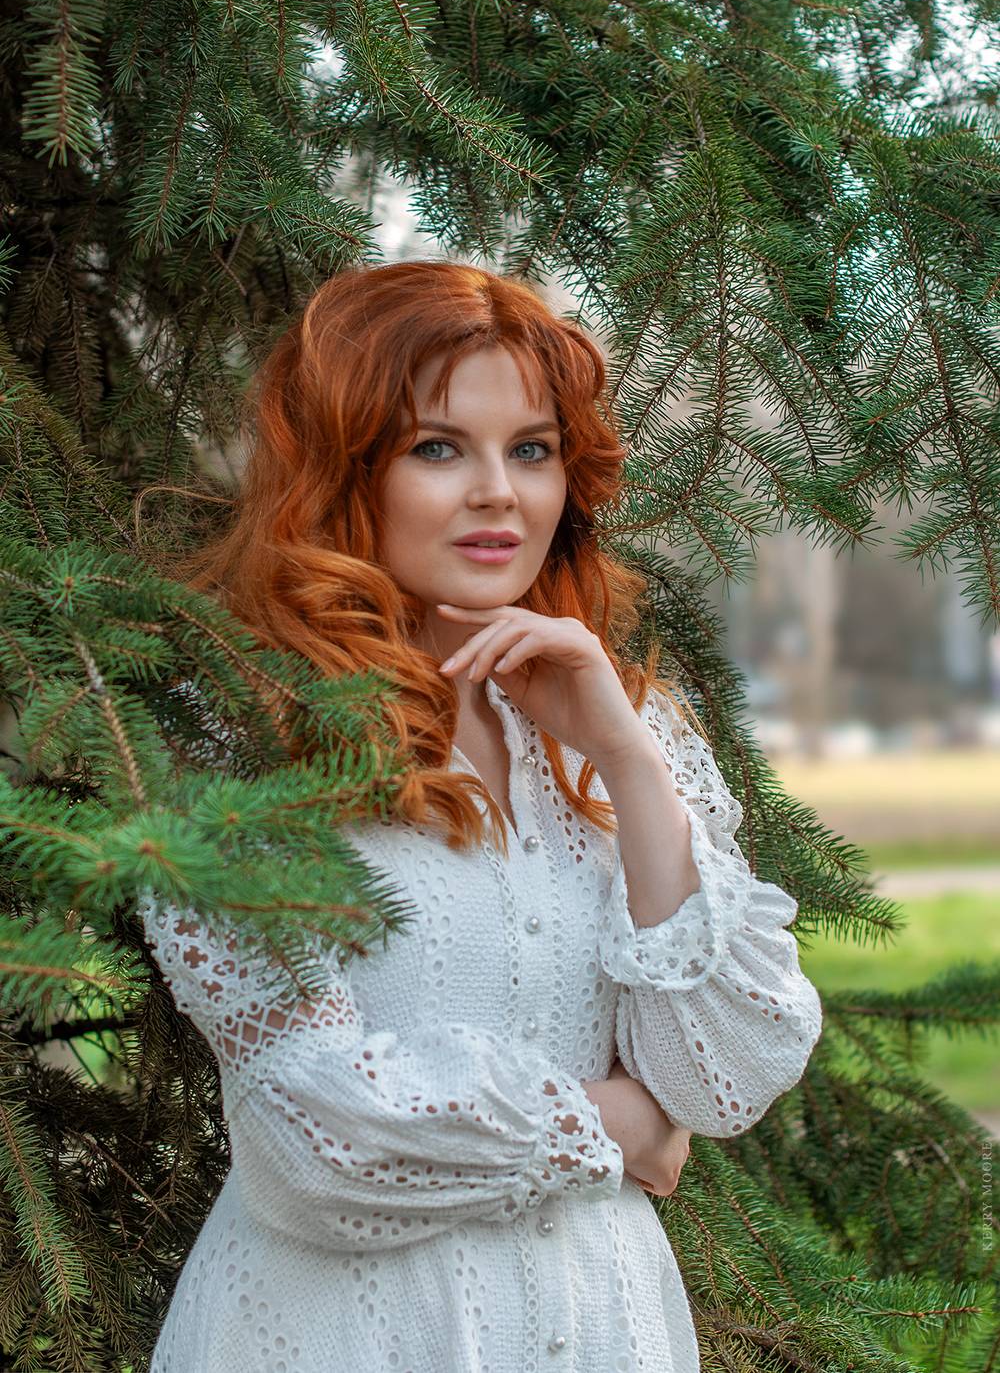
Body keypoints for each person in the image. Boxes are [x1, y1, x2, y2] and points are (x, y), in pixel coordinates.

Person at [138, 260, 823, 1372]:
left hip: (605, 1328)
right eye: (438, 448)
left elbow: (725, 1075)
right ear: (343, 473)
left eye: (532, 449)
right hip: (341, 1337)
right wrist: (624, 1125)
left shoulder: (624, 729)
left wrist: (629, 763)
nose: (500, 492)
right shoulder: (238, 730)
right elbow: (312, 1141)